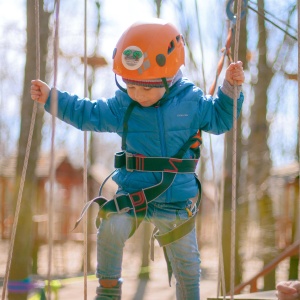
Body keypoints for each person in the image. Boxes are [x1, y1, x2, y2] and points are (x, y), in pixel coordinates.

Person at [31, 18, 244, 300]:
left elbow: (221, 119)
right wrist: (51, 98)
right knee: (110, 227)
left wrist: (231, 89)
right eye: (131, 86)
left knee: (189, 267)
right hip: (135, 196)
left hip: (177, 204)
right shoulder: (124, 105)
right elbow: (88, 113)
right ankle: (108, 292)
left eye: (145, 87)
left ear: (170, 78)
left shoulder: (192, 102)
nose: (137, 94)